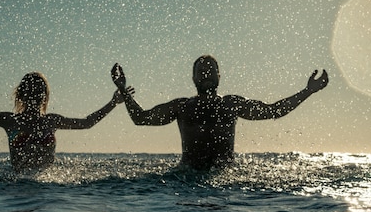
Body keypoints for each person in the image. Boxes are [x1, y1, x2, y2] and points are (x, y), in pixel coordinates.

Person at [111, 55, 329, 170]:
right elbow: (141, 119)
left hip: (225, 181)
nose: (205, 74)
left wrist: (308, 91)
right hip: (187, 180)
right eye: (200, 71)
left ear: (219, 76)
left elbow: (273, 111)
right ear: (193, 78)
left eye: (210, 70)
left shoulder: (230, 104)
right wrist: (123, 90)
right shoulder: (182, 107)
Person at [0, 68, 133, 171]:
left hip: (44, 188)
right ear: (22, 96)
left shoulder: (51, 121)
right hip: (17, 186)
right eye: (32, 92)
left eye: (39, 92)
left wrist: (113, 103)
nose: (35, 96)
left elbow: (87, 123)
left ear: (45, 96)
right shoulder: (11, 120)